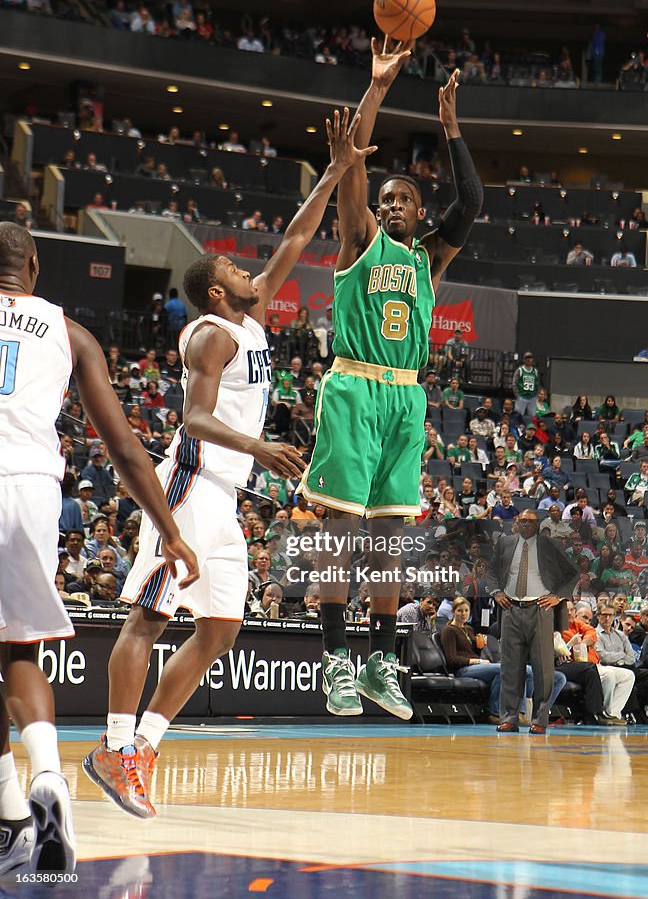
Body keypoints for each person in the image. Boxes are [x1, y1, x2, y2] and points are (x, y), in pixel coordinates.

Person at [84, 108, 374, 817]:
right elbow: (193, 417)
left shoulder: (247, 318)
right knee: (149, 620)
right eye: (236, 270)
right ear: (216, 291)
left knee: (221, 628)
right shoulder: (209, 335)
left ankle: (144, 746)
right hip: (190, 485)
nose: (251, 272)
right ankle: (113, 747)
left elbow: (295, 239)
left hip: (227, 495)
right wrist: (260, 446)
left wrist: (338, 168)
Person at [0, 222, 197, 874]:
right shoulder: (70, 333)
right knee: (20, 647)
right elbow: (122, 447)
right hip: (31, 487)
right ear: (33, 264)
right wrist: (169, 530)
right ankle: (47, 780)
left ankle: (7, 814)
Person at [299, 41, 483, 720]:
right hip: (353, 387)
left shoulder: (429, 258)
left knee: (386, 543)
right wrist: (376, 89)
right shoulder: (358, 241)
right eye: (386, 197)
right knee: (344, 533)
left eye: (405, 196)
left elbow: (472, 200)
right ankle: (334, 663)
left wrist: (451, 128)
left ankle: (379, 662)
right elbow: (351, 163)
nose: (395, 203)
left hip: (406, 397)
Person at [488, 509, 578, 734]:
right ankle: (509, 717)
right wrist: (497, 592)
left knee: (543, 669)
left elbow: (572, 574)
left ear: (538, 525)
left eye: (530, 522)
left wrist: (557, 596)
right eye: (521, 521)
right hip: (510, 609)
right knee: (510, 668)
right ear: (516, 523)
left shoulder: (550, 545)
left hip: (540, 609)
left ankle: (539, 720)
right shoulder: (505, 544)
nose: (525, 525)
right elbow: (489, 573)